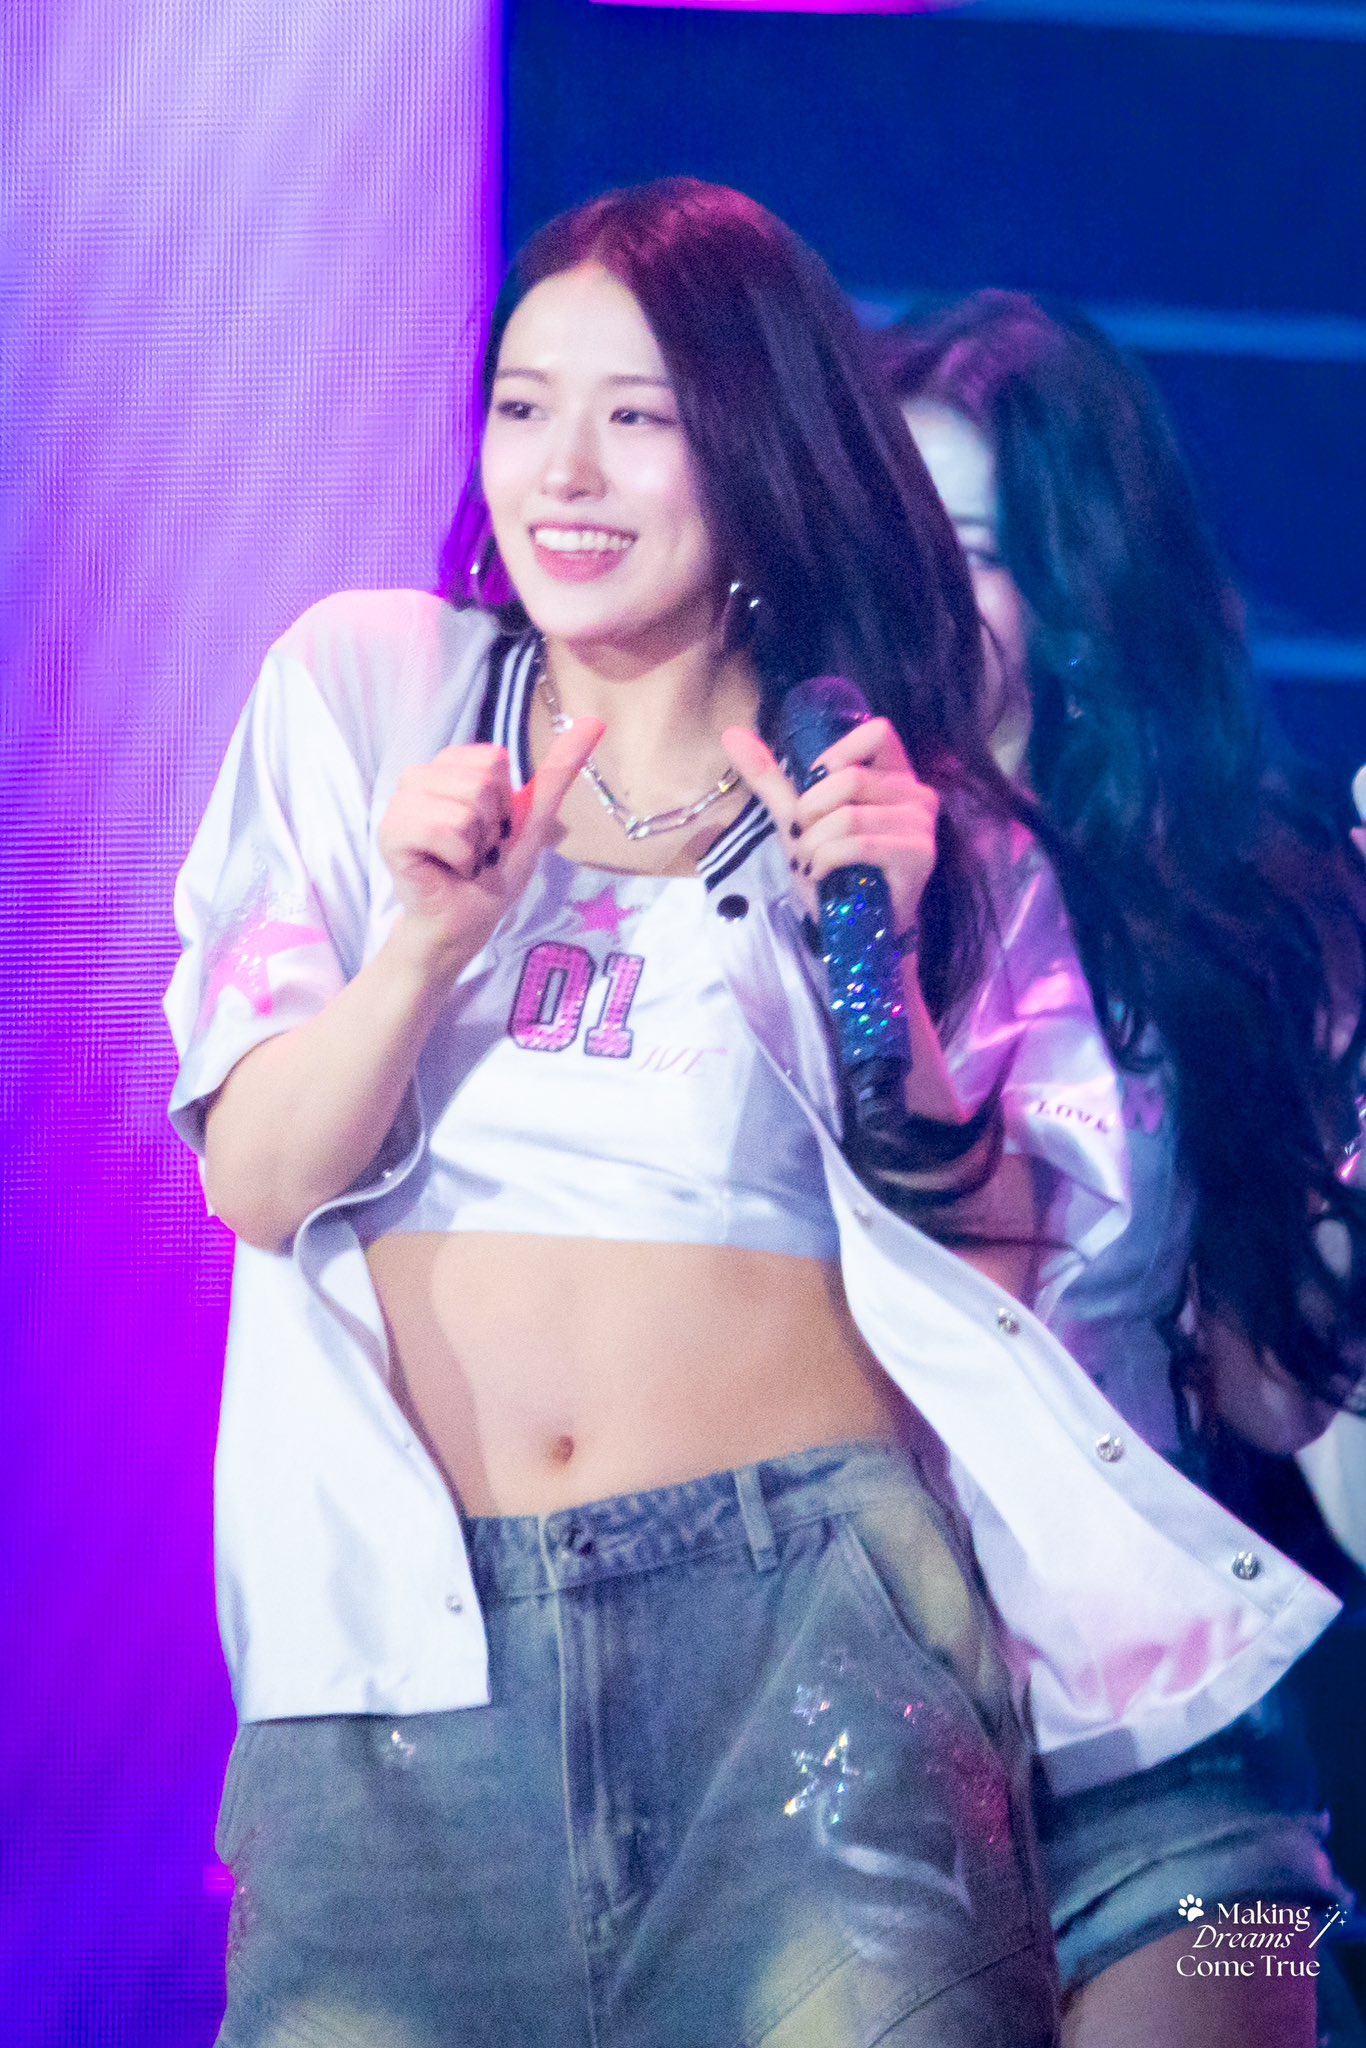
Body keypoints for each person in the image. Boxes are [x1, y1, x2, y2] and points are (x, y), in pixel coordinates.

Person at [166, 186, 1336, 2048]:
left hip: (1064, 1733)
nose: (565, 467)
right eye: (523, 403)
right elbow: (254, 1174)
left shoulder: (1049, 871)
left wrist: (875, 948)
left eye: (636, 416)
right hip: (429, 1676)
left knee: (1231, 1980)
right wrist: (424, 947)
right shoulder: (376, 693)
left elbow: (1122, 1326)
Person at [880, 289, 1366, 2048]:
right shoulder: (759, 877)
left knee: (1240, 1971)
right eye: (891, 533)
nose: (921, 596)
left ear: (1082, 588)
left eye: (974, 553)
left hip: (1180, 1778)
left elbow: (1286, 1393)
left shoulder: (1238, 906)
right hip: (830, 1762)